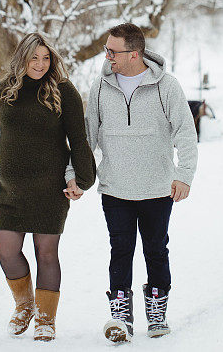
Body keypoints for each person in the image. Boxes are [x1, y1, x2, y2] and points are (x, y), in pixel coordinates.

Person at [0, 32, 95, 342]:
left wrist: (81, 178)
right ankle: (24, 304)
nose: (41, 64)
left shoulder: (63, 92)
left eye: (46, 58)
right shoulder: (1, 93)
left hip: (50, 190)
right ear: (21, 59)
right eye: (34, 58)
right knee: (7, 252)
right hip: (9, 192)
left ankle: (46, 317)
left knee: (46, 254)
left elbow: (78, 138)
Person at [85, 23, 198, 342]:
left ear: (134, 54)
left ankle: (157, 309)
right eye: (107, 50)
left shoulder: (166, 86)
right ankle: (120, 315)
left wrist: (184, 175)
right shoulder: (101, 86)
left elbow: (186, 134)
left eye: (113, 51)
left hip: (157, 189)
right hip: (115, 188)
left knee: (156, 250)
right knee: (120, 249)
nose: (107, 56)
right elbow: (87, 136)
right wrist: (76, 175)